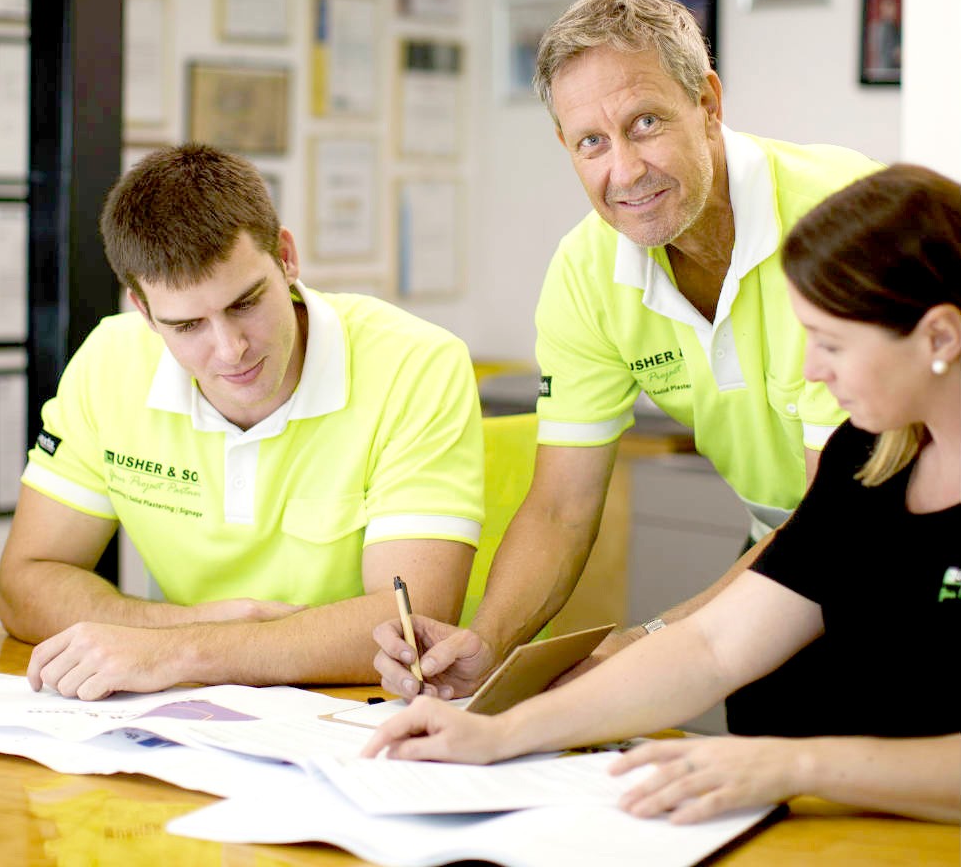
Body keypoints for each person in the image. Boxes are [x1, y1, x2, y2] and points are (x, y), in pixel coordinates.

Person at [363, 163, 961, 827]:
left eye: (832, 344)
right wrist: (500, 733)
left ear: (939, 337)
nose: (812, 370)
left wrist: (792, 765)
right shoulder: (866, 459)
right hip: (860, 832)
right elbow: (710, 647)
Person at [371, 0, 883, 737]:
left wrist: (647, 643)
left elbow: (828, 518)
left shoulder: (839, 219)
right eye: (592, 142)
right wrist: (489, 645)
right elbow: (562, 505)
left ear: (707, 103)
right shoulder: (585, 273)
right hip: (774, 541)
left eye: (645, 123)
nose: (625, 170)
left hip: (894, 538)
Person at [0, 143, 482, 700]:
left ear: (286, 257)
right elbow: (24, 583)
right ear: (142, 308)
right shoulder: (108, 360)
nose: (230, 350)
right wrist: (181, 628)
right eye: (187, 327)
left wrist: (184, 651)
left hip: (373, 711)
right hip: (197, 719)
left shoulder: (418, 364)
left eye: (245, 303)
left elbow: (412, 622)